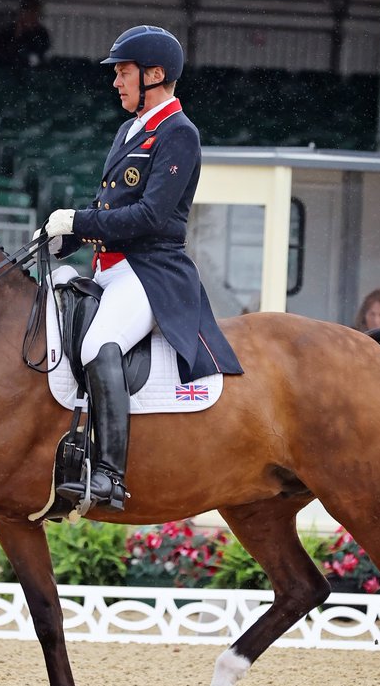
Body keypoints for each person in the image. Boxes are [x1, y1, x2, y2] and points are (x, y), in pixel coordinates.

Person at [40, 25, 244, 512]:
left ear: (155, 75)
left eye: (124, 72)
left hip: (151, 272)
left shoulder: (179, 133)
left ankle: (109, 474)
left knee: (97, 344)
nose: (116, 82)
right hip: (110, 267)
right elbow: (109, 209)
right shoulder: (131, 129)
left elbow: (151, 216)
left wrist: (80, 219)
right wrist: (63, 236)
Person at [0, 0, 50, 68]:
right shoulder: (11, 29)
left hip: (35, 68)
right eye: (27, 12)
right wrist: (18, 33)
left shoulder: (41, 32)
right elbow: (6, 50)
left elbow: (42, 50)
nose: (30, 16)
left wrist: (31, 31)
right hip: (13, 67)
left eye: (33, 13)